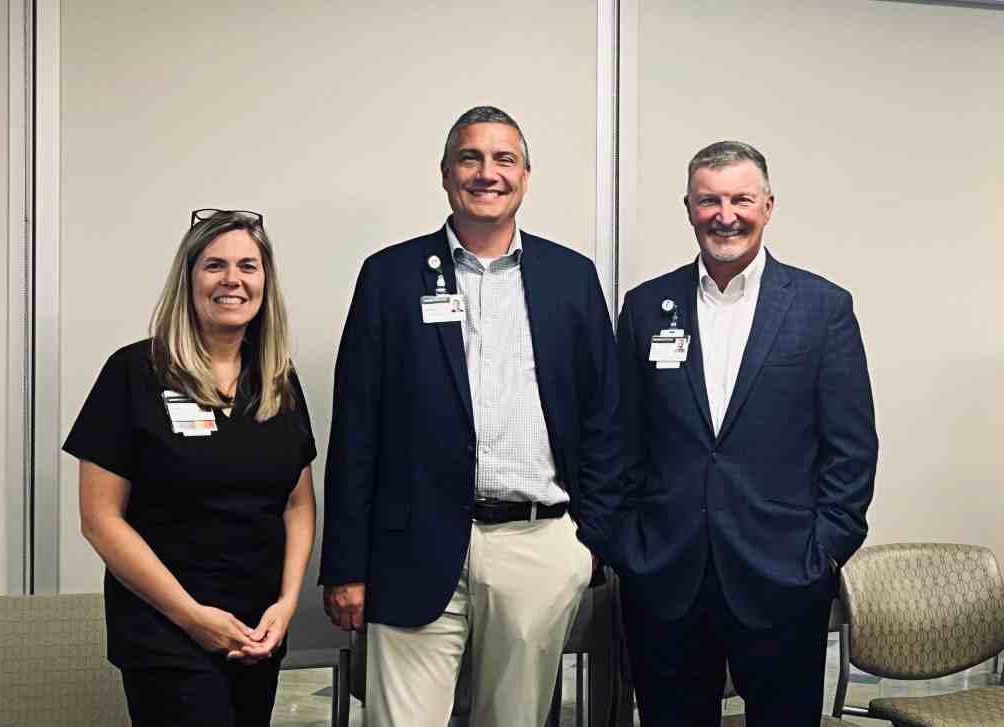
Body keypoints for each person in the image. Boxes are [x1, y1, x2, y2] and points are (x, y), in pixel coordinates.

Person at [319, 106, 622, 726]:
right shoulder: (389, 277)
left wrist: (590, 542)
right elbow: (356, 429)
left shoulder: (572, 278)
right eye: (471, 158)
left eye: (503, 159)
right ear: (446, 174)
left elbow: (605, 420)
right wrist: (346, 565)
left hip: (537, 547)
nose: (487, 173)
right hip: (411, 546)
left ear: (527, 176)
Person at [612, 141, 878, 726]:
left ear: (768, 205)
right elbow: (619, 439)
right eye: (709, 200)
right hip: (666, 577)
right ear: (688, 208)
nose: (724, 214)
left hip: (783, 576)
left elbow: (851, 450)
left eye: (740, 199)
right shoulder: (646, 307)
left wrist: (822, 553)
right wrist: (624, 546)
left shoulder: (822, 308)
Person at [64, 209, 317, 727]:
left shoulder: (276, 381)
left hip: (257, 632)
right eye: (214, 265)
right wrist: (193, 617)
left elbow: (298, 503)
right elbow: (100, 519)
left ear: (265, 281)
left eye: (248, 266)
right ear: (188, 279)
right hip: (166, 633)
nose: (232, 280)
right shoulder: (134, 372)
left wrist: (287, 602)